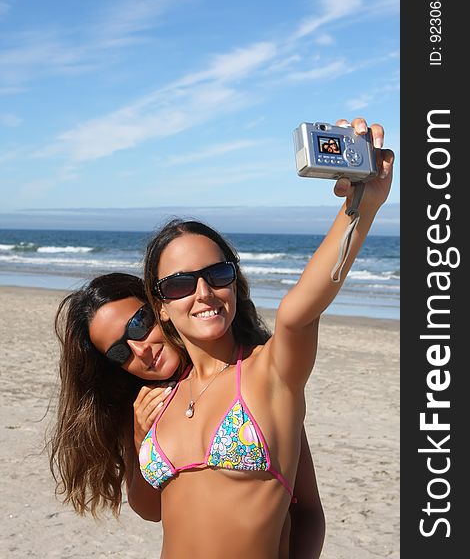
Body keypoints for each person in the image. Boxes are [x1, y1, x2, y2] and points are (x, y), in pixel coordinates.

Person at [140, 117, 393, 559]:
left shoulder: (270, 372)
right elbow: (149, 509)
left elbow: (297, 311)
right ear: (160, 303)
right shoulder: (162, 398)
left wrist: (361, 206)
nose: (203, 293)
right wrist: (135, 432)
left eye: (218, 275)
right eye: (181, 284)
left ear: (235, 284)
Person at [48, 272, 325, 558]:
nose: (140, 350)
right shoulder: (141, 407)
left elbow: (307, 509)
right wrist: (140, 439)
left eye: (139, 325)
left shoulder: (258, 379)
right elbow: (150, 510)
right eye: (119, 352)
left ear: (162, 308)